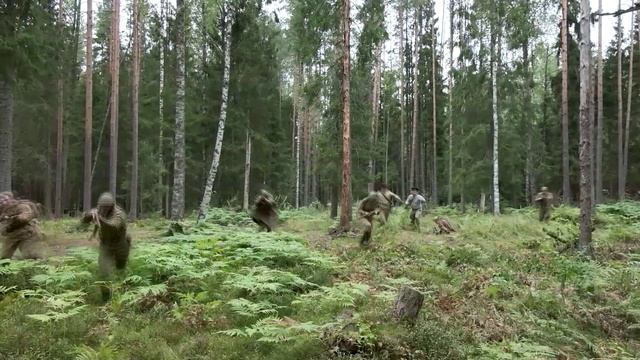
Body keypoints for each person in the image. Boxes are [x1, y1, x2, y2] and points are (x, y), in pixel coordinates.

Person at [81, 192, 131, 300]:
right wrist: (89, 215)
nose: (103, 209)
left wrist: (100, 218)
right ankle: (106, 298)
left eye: (106, 207)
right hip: (106, 245)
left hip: (120, 245)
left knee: (120, 270)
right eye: (102, 207)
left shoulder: (119, 214)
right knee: (104, 271)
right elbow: (83, 221)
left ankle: (124, 294)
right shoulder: (99, 210)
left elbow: (114, 226)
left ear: (111, 206)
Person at [0, 192, 46, 260]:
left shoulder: (21, 206)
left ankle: (38, 267)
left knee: (31, 255)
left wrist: (14, 219)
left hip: (27, 234)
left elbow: (25, 217)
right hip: (11, 236)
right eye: (1, 201)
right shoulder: (3, 211)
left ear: (11, 199)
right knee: (3, 257)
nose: (4, 203)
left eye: (6, 200)